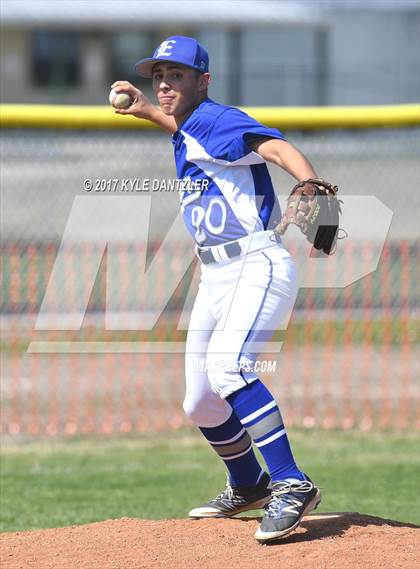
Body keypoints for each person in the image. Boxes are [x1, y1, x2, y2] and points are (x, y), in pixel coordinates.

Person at [112, 36, 321, 542]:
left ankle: (292, 483)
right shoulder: (190, 126)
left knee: (230, 368)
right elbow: (191, 132)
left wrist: (310, 181)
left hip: (255, 263)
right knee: (201, 402)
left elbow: (271, 144)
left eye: (177, 75)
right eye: (159, 75)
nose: (164, 84)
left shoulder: (217, 117)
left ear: (203, 81)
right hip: (216, 275)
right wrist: (146, 112)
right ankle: (250, 483)